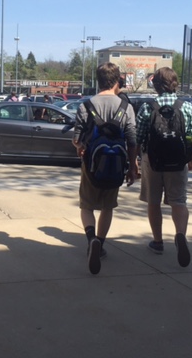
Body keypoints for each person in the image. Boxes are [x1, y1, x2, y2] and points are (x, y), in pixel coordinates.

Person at [73, 62, 138, 275]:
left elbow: (77, 137)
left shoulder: (86, 105)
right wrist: (132, 167)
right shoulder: (125, 107)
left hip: (91, 164)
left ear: (97, 80)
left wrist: (80, 146)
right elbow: (132, 140)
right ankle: (100, 243)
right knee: (108, 207)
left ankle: (91, 239)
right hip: (117, 165)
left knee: (87, 205)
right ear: (117, 80)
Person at [135, 67, 192, 268]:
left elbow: (139, 137)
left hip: (152, 161)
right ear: (175, 83)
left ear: (156, 85)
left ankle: (158, 242)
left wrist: (137, 159)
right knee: (179, 200)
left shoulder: (148, 107)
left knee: (153, 201)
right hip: (178, 161)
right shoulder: (185, 107)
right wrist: (190, 158)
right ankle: (180, 235)